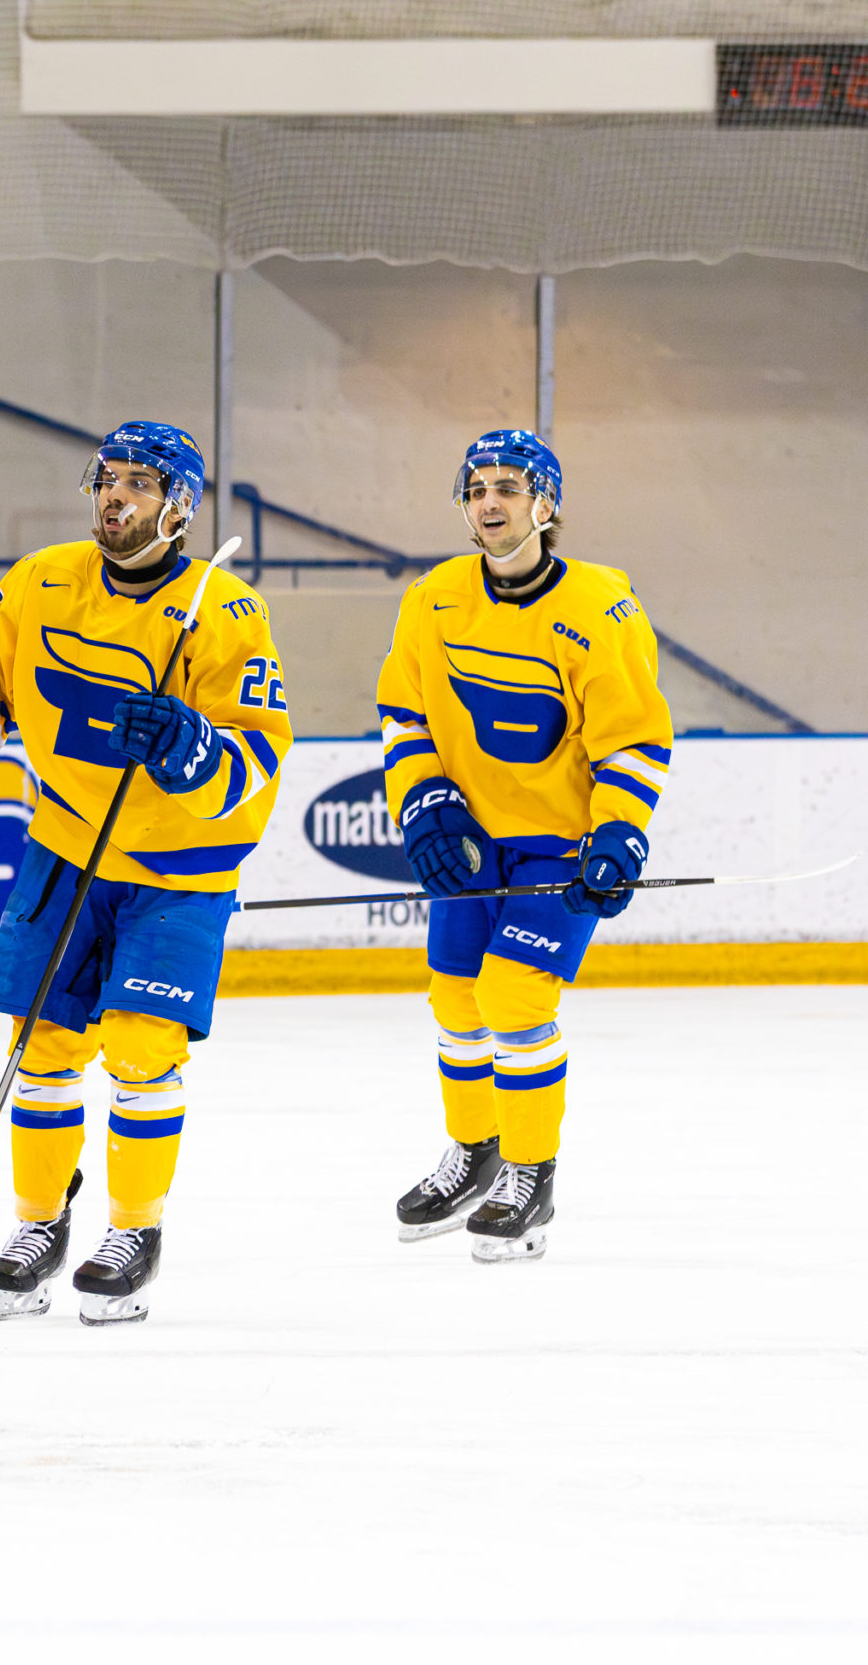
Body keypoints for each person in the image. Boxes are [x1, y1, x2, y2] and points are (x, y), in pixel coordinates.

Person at [0, 421, 291, 1325]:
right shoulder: (43, 578)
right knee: (43, 1045)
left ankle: (133, 1230)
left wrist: (191, 748)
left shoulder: (228, 611)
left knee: (142, 1049)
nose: (116, 496)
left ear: (179, 506)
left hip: (180, 866)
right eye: (107, 478)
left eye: (141, 482)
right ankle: (37, 1224)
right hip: (67, 848)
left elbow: (261, 757)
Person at [380, 430, 671, 1261]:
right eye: (475, 489)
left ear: (547, 504)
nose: (490, 502)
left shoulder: (600, 608)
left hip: (558, 842)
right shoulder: (434, 596)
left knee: (513, 996)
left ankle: (530, 1172)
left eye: (509, 486)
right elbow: (407, 713)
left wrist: (618, 832)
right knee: (455, 999)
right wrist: (426, 801)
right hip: (474, 837)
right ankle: (475, 1152)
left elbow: (631, 741)